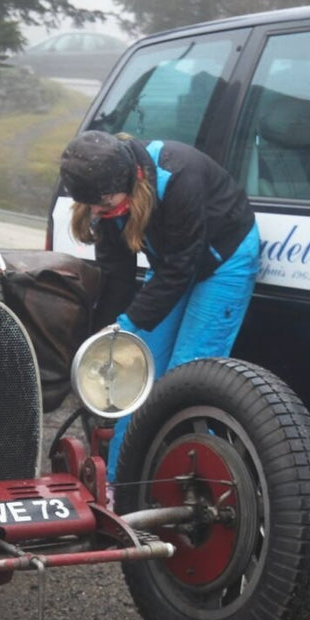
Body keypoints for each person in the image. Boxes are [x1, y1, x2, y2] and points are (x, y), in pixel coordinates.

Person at [59, 130, 260, 484]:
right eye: (91, 206)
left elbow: (182, 267)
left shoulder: (180, 176)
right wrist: (107, 336)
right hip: (173, 262)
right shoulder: (107, 195)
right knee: (135, 378)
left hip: (222, 261)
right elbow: (117, 276)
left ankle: (192, 487)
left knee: (187, 378)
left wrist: (130, 321)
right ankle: (121, 490)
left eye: (103, 205)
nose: (97, 212)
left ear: (129, 181)